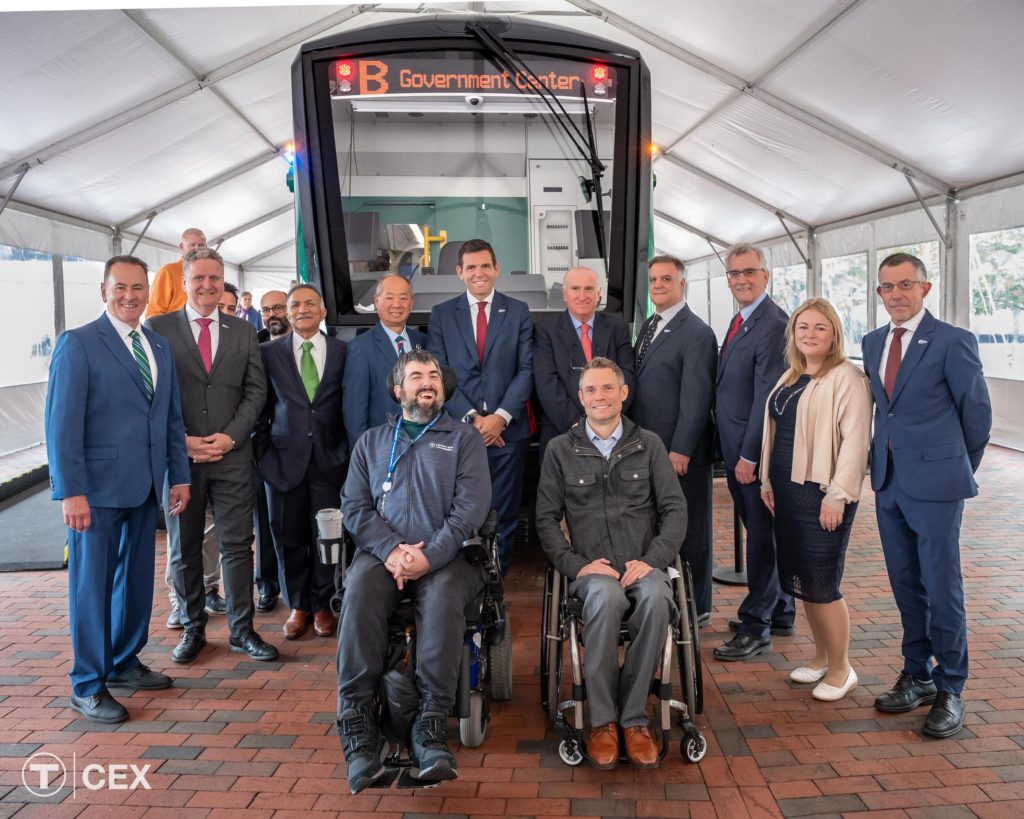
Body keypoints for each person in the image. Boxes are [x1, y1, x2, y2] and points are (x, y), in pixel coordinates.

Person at [336, 350, 491, 793]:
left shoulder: (464, 439)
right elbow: (355, 507)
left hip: (449, 556)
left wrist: (430, 556)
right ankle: (357, 723)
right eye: (417, 375)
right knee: (358, 590)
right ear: (398, 389)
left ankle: (430, 724)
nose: (428, 382)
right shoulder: (371, 442)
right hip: (382, 556)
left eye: (434, 376)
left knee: (442, 598)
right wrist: (390, 549)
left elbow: (470, 509)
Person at [45, 255, 191, 723]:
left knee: (135, 583)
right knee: (91, 588)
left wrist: (179, 474)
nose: (130, 296)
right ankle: (87, 684)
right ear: (104, 291)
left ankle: (125, 661)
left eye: (138, 287)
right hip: (95, 492)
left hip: (145, 486)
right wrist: (70, 491)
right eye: (120, 287)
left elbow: (170, 418)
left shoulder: (158, 345)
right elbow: (61, 425)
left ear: (149, 291)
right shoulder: (79, 343)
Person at [863, 253, 992, 738]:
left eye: (905, 284)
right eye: (887, 286)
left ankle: (950, 685)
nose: (896, 294)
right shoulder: (872, 342)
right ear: (879, 292)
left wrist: (955, 467)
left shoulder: (952, 341)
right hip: (888, 481)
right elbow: (886, 412)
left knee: (942, 587)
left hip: (936, 484)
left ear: (925, 287)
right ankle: (917, 673)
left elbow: (976, 414)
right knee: (904, 582)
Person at [536, 357, 686, 769]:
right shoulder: (560, 450)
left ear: (623, 393)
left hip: (644, 564)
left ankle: (633, 719)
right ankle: (602, 721)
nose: (599, 396)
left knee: (657, 600)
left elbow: (675, 510)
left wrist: (653, 560)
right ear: (581, 397)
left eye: (607, 388)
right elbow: (545, 519)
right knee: (605, 599)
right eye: (591, 390)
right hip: (592, 570)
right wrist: (576, 565)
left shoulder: (649, 444)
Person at [147, 247, 277, 663]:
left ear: (223, 282)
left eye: (214, 278)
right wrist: (182, 441)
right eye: (199, 278)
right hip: (180, 459)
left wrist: (231, 438)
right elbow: (152, 394)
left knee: (238, 545)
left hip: (232, 457)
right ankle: (193, 628)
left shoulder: (243, 331)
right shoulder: (157, 328)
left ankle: (242, 631)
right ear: (184, 281)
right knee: (184, 547)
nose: (207, 285)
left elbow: (256, 391)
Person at [758, 298, 872, 701]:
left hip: (822, 494)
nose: (810, 334)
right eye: (803, 327)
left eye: (820, 327)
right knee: (802, 580)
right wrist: (767, 482)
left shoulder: (848, 378)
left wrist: (837, 497)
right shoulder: (792, 374)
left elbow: (856, 444)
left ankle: (842, 669)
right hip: (787, 491)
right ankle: (822, 656)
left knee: (823, 584)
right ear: (793, 333)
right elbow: (774, 433)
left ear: (834, 335)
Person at [428, 239, 533, 572]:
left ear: (497, 269)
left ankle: (496, 577)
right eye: (471, 267)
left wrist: (500, 417)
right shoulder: (443, 314)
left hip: (508, 432)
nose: (479, 273)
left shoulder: (518, 311)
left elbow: (526, 370)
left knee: (504, 510)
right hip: (460, 432)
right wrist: (474, 419)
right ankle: (465, 578)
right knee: (461, 507)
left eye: (485, 265)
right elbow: (439, 373)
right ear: (459, 272)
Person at [713, 242, 795, 661]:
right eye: (734, 273)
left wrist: (749, 457)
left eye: (749, 272)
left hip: (755, 453)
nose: (741, 280)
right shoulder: (743, 317)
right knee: (762, 533)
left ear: (766, 275)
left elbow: (767, 396)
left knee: (762, 540)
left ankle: (755, 625)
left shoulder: (774, 323)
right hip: (736, 448)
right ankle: (780, 610)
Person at [256, 284, 347, 640]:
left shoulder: (342, 351)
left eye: (311, 303)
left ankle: (323, 603)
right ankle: (298, 604)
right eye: (295, 304)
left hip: (330, 460)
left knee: (327, 537)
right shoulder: (267, 353)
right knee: (287, 536)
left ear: (323, 311)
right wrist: (263, 453)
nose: (303, 309)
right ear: (287, 312)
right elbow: (259, 406)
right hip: (281, 462)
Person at [631, 255, 717, 625]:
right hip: (652, 447)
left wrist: (681, 448)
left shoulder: (697, 333)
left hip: (680, 453)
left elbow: (697, 398)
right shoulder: (651, 325)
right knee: (663, 525)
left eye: (666, 279)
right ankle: (667, 600)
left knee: (690, 528)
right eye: (653, 279)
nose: (658, 285)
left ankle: (698, 608)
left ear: (682, 284)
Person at [533, 267, 636, 456]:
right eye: (575, 289)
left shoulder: (617, 327)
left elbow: (627, 376)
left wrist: (607, 421)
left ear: (599, 294)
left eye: (589, 289)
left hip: (613, 433)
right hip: (562, 433)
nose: (582, 296)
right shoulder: (545, 329)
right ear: (565, 294)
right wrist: (581, 426)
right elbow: (547, 383)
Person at [343, 274, 427, 444]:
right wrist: (363, 453)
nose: (396, 304)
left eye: (403, 298)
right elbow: (354, 411)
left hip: (424, 442)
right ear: (376, 300)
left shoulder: (424, 342)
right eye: (389, 298)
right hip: (382, 445)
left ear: (411, 303)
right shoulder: (360, 347)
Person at [253, 288, 291, 611]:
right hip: (264, 446)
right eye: (266, 310)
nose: (272, 315)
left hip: (301, 445)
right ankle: (267, 585)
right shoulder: (254, 347)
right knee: (264, 521)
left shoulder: (311, 343)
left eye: (278, 307)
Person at [145, 228, 206, 319]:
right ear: (182, 246)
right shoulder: (168, 271)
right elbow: (154, 313)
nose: (197, 249)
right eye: (192, 245)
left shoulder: (210, 274)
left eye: (201, 246)